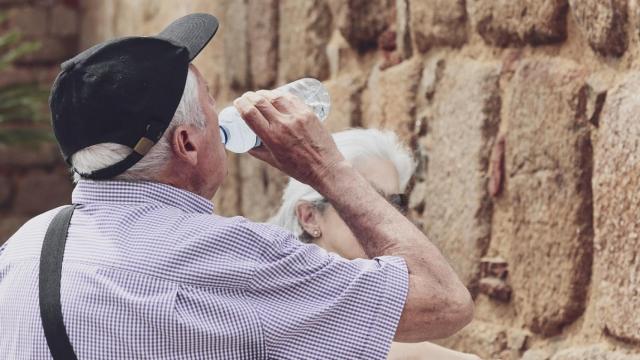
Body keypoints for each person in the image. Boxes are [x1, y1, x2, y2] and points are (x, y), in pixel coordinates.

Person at [0, 13, 473, 359]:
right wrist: (325, 167)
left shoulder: (23, 250)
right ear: (186, 143)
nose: (220, 110)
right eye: (209, 101)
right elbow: (444, 302)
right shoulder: (227, 259)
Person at [271, 128, 480, 360]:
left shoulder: (383, 298)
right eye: (363, 200)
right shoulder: (279, 293)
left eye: (395, 203)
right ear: (309, 217)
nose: (384, 216)